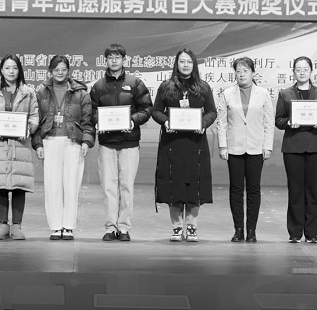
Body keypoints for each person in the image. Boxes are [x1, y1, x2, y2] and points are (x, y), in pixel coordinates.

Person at [151, 49, 217, 243]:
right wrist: (166, 121)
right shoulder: (166, 86)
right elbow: (156, 111)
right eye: (182, 61)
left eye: (189, 61)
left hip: (196, 142)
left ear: (194, 64)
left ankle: (192, 225)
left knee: (195, 183)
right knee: (174, 182)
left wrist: (203, 123)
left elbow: (211, 111)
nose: (185, 65)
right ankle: (177, 226)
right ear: (176, 64)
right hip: (172, 142)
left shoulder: (203, 87)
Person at [90, 43, 153, 242]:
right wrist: (98, 121)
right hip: (107, 143)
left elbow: (146, 109)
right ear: (106, 60)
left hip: (129, 143)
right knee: (109, 187)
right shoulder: (98, 86)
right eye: (111, 57)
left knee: (126, 186)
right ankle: (111, 227)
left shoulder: (135, 83)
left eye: (118, 57)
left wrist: (132, 121)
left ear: (124, 60)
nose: (114, 60)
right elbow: (91, 111)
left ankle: (124, 227)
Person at [33, 55, 94, 241]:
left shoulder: (81, 93)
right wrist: (38, 144)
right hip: (50, 141)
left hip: (73, 142)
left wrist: (86, 141)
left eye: (63, 69)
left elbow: (88, 121)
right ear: (50, 72)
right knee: (52, 186)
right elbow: (35, 121)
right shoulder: (41, 92)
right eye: (56, 70)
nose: (60, 73)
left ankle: (68, 226)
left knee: (71, 185)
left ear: (69, 71)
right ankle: (55, 226)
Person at [0, 54, 39, 240]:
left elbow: (34, 116)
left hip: (20, 145)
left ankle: (17, 226)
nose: (11, 71)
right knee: (1, 185)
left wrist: (27, 130)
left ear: (19, 70)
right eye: (7, 68)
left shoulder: (29, 92)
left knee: (19, 184)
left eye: (14, 68)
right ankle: (3, 225)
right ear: (1, 70)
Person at [275, 56, 317, 244]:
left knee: (312, 190)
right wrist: (289, 122)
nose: (302, 72)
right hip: (293, 147)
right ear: (293, 72)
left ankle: (311, 233)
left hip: (315, 147)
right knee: (295, 190)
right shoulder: (285, 94)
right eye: (298, 69)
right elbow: (279, 120)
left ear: (311, 71)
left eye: (305, 69)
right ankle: (295, 232)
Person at [216, 57, 274, 243]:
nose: (241, 74)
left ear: (253, 73)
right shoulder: (227, 94)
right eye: (238, 71)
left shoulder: (263, 94)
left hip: (256, 147)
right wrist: (223, 146)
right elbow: (221, 123)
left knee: (254, 189)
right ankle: (238, 229)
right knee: (236, 189)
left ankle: (252, 230)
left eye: (245, 71)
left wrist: (267, 146)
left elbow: (269, 122)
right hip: (234, 147)